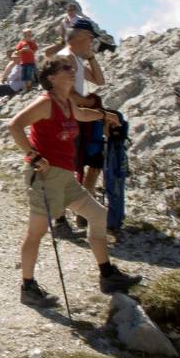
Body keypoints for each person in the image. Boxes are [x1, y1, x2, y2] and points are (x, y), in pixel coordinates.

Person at [8, 56, 141, 307]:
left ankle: (107, 274)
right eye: (65, 70)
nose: (71, 72)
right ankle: (28, 287)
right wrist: (34, 156)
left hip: (66, 177)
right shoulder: (45, 103)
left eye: (71, 69)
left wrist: (104, 115)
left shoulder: (67, 101)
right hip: (46, 177)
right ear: (51, 78)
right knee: (36, 233)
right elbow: (14, 126)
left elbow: (81, 114)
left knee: (98, 214)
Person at [45, 18, 107, 235]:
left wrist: (90, 57)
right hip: (64, 119)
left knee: (84, 165)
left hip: (73, 118)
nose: (92, 41)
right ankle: (60, 220)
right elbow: (66, 92)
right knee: (64, 169)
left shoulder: (77, 59)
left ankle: (80, 215)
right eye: (90, 38)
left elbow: (100, 80)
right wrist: (88, 102)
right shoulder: (65, 58)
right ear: (80, 36)